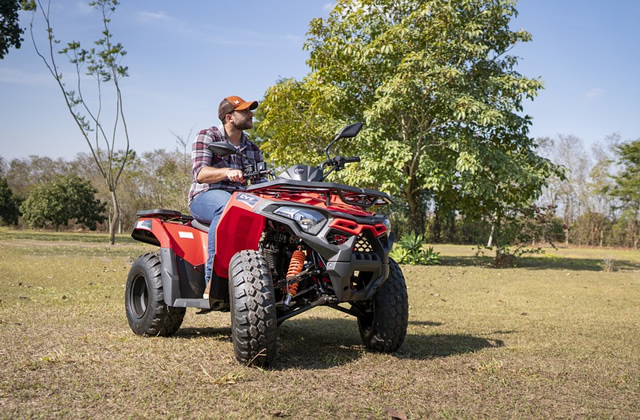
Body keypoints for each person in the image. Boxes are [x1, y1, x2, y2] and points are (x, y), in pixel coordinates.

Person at [188, 95, 263, 292]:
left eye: (250, 110)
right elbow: (201, 174)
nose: (251, 114)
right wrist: (226, 172)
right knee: (227, 205)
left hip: (243, 201)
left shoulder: (252, 148)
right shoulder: (208, 136)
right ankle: (214, 280)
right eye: (245, 111)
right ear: (229, 117)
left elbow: (260, 182)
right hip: (207, 196)